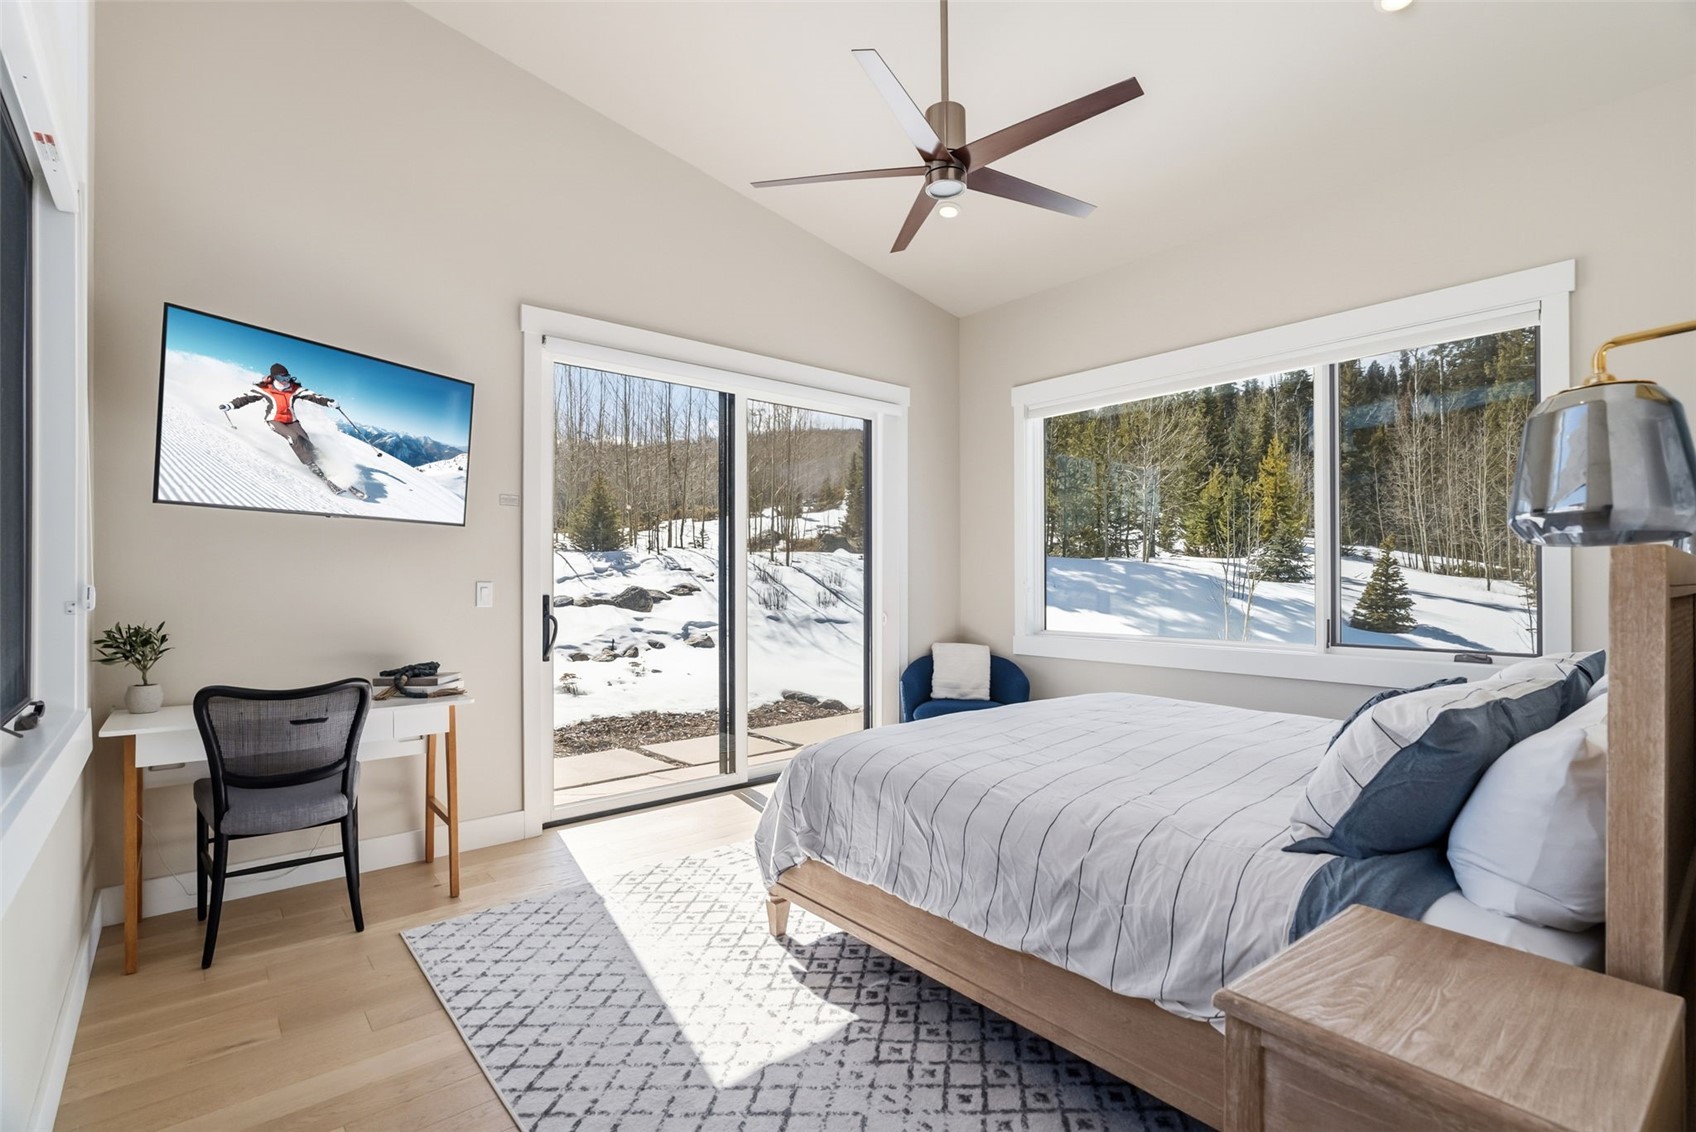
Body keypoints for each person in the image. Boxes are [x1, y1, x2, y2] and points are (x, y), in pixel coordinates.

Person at [219, 364, 340, 469]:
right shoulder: (264, 389)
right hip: (274, 420)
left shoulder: (294, 389)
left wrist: (328, 402)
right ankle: (310, 464)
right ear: (273, 377)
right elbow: (245, 398)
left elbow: (313, 396)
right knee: (294, 438)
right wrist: (230, 405)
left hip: (291, 420)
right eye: (281, 377)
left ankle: (321, 459)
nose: (285, 380)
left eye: (287, 376)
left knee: (305, 439)